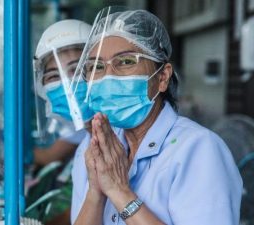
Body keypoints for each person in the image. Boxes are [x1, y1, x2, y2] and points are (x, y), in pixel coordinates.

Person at [71, 8, 242, 225]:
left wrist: (120, 192)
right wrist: (96, 193)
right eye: (96, 66)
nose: (108, 76)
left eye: (126, 62)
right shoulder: (106, 149)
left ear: (162, 77)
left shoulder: (198, 149)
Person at [33, 19, 93, 166]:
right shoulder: (80, 131)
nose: (67, 84)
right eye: (53, 76)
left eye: (76, 70)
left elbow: (48, 157)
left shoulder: (124, 129)